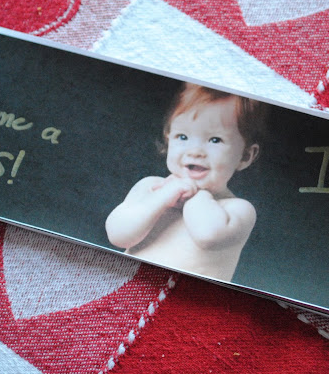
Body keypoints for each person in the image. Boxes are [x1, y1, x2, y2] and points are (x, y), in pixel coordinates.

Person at [106, 83, 266, 281]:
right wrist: (162, 197)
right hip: (130, 285)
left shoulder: (238, 209)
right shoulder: (151, 187)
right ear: (169, 140)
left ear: (245, 156)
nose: (195, 151)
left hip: (185, 296)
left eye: (215, 140)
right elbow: (118, 236)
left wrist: (197, 195)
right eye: (182, 137)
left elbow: (207, 235)